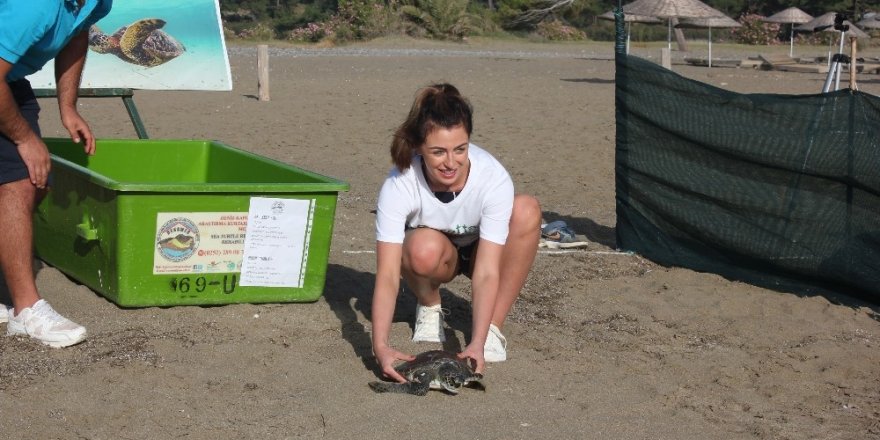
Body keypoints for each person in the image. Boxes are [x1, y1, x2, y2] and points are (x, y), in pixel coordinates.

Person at [371, 83, 541, 382]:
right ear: (419, 147)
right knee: (422, 248)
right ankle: (429, 305)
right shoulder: (399, 183)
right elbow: (386, 275)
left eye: (460, 149)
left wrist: (474, 342)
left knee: (526, 209)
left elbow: (487, 271)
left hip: (482, 253)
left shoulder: (493, 177)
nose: (451, 163)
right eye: (438, 152)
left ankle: (491, 329)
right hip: (435, 254)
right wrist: (380, 346)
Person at [0, 0, 112, 347]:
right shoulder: (37, 5)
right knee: (18, 182)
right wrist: (24, 138)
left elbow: (77, 36)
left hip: (9, 82)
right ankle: (27, 310)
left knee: (37, 183)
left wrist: (68, 108)